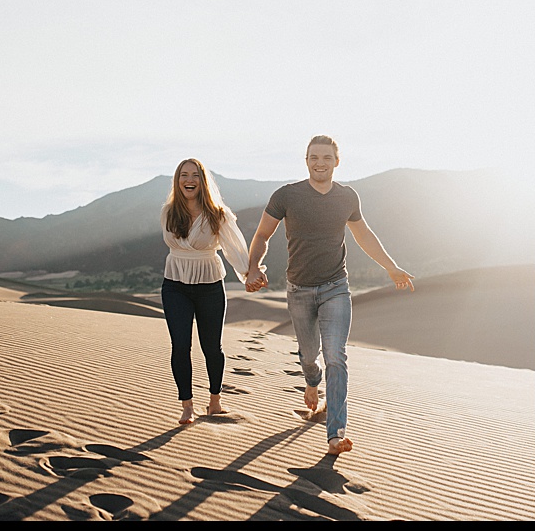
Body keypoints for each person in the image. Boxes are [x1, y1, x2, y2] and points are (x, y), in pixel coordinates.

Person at [243, 135, 414, 455]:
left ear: (337, 161)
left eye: (326, 157)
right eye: (313, 157)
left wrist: (391, 267)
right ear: (306, 161)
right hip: (298, 290)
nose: (319, 162)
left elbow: (364, 235)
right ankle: (311, 380)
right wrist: (254, 267)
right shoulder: (286, 195)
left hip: (336, 287)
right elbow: (263, 235)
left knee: (336, 355)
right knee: (309, 355)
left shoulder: (347, 197)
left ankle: (335, 432)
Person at [160, 158, 258, 425]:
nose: (188, 180)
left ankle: (215, 402)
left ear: (203, 181)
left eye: (195, 175)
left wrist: (249, 273)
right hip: (175, 284)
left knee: (211, 348)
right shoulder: (169, 211)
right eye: (183, 175)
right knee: (180, 346)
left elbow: (234, 247)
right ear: (177, 180)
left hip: (210, 285)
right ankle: (187, 405)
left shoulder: (218, 213)